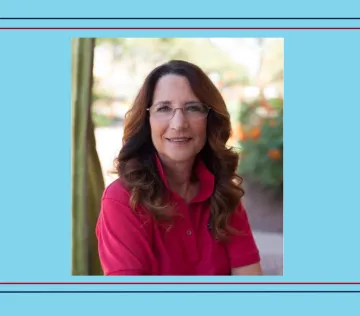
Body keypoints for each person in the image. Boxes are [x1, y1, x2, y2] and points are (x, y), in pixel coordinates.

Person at [96, 60, 262, 275]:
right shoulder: (123, 200)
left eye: (193, 108)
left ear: (209, 120)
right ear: (147, 121)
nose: (178, 123)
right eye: (164, 108)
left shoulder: (222, 193)